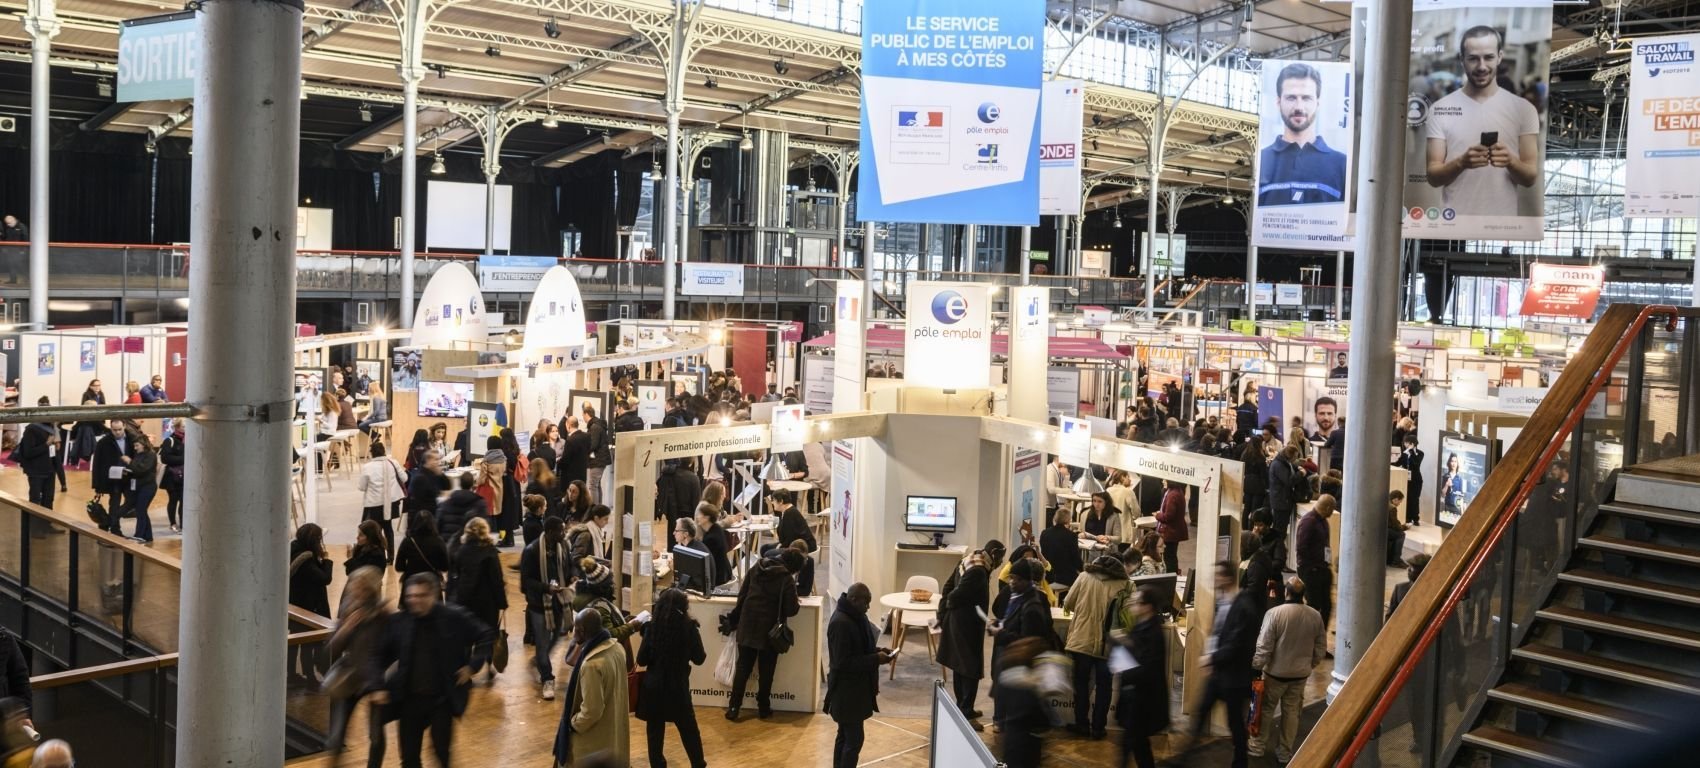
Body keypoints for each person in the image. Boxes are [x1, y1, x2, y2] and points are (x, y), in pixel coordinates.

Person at [368, 573, 495, 768]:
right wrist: (378, 686)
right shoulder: (400, 621)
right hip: (409, 700)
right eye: (410, 596)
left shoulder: (454, 616)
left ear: (433, 595)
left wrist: (472, 666)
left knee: (441, 752)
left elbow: (486, 634)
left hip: (442, 699)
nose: (414, 601)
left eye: (420, 596)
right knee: (409, 758)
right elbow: (379, 655)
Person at [1424, 25, 1541, 217]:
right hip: (1452, 220)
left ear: (1500, 57)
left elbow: (1530, 177)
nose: (1481, 66)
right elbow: (1433, 177)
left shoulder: (1524, 109)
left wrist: (1510, 161)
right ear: (1462, 60)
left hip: (1503, 221)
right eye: (1472, 58)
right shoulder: (1440, 109)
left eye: (1488, 57)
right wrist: (1461, 162)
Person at [1184, 561, 1263, 768]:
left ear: (1227, 578)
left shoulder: (1244, 607)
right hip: (1220, 674)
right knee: (1201, 713)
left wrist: (1211, 658)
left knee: (1235, 723)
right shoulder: (1223, 600)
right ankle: (1185, 757)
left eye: (1217, 576)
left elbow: (1236, 644)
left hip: (1234, 678)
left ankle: (1240, 762)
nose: (1214, 580)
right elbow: (1218, 633)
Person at [1252, 576, 1327, 763]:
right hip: (1300, 675)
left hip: (1275, 674)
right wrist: (1310, 665)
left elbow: (1264, 646)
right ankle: (1285, 752)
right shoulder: (1315, 615)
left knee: (1267, 710)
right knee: (1292, 713)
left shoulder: (1275, 613)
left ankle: (1257, 747)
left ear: (1286, 592)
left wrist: (1256, 667)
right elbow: (1320, 647)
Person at [325, 566, 392, 764]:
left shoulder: (384, 615)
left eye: (360, 588)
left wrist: (379, 684)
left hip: (376, 681)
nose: (355, 592)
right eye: (354, 587)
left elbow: (389, 650)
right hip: (350, 677)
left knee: (376, 734)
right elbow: (332, 649)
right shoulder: (349, 609)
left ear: (371, 590)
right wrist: (345, 629)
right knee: (337, 734)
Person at [723, 549, 800, 720]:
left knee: (743, 668)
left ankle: (734, 707)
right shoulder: (786, 579)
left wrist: (735, 619)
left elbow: (742, 597)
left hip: (748, 625)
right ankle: (763, 708)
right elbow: (791, 609)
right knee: (767, 671)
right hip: (769, 631)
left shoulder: (756, 568)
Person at [1257, 62, 1348, 207]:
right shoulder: (1261, 160)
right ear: (1278, 102)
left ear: (1317, 103)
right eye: (1291, 98)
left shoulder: (1342, 165)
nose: (1299, 107)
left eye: (1306, 98)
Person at [636, 587, 708, 768]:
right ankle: (698, 763)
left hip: (653, 686)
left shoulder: (651, 628)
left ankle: (657, 764)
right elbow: (700, 659)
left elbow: (641, 660)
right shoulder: (689, 628)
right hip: (678, 687)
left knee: (654, 731)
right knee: (689, 729)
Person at [1062, 555, 1133, 740]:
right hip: (1108, 645)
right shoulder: (1126, 584)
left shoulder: (1084, 576)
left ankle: (1081, 724)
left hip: (1082, 641)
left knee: (1081, 684)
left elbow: (1068, 603)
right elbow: (1131, 616)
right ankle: (1098, 728)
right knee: (1105, 686)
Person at [825, 583, 894, 768]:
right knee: (854, 740)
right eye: (866, 602)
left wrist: (879, 651)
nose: (868, 607)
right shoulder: (841, 623)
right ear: (854, 599)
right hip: (847, 692)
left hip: (854, 690)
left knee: (845, 736)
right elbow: (843, 662)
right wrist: (875, 659)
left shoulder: (855, 617)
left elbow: (859, 649)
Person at [552, 607, 630, 768]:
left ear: (581, 631)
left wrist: (573, 724)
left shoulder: (591, 665)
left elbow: (592, 710)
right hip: (612, 733)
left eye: (575, 629)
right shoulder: (616, 649)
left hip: (592, 741)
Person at [938, 541, 1003, 724]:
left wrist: (944, 613)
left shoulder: (969, 559)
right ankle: (965, 711)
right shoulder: (978, 571)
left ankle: (963, 707)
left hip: (958, 622)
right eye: (1001, 556)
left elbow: (948, 586)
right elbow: (954, 595)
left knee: (961, 667)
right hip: (966, 625)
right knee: (970, 669)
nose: (1001, 561)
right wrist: (948, 608)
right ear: (994, 553)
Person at [1114, 587, 1170, 768]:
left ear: (1147, 607)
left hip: (1142, 697)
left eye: (1137, 602)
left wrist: (1124, 658)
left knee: (1134, 742)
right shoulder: (1141, 626)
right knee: (1137, 743)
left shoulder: (1153, 632)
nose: (1132, 605)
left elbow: (1146, 667)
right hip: (1136, 696)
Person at [993, 636, 1069, 768]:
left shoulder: (1006, 677)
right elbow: (1041, 719)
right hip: (1027, 745)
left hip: (1011, 740)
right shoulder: (1029, 686)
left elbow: (1000, 709)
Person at [451, 518, 507, 683]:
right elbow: (496, 580)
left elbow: (457, 577)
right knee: (488, 635)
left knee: (467, 636)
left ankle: (466, 669)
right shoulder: (490, 551)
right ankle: (489, 666)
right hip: (487, 602)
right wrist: (502, 602)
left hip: (465, 601)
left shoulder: (461, 551)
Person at [288, 524, 333, 686]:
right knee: (307, 643)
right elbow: (324, 579)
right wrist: (327, 561)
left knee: (293, 642)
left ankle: (291, 674)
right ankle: (310, 677)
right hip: (307, 607)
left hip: (294, 605)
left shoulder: (293, 549)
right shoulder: (305, 558)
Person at [1296, 494, 1336, 631]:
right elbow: (1301, 548)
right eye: (1332, 509)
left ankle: (1320, 636)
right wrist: (1313, 566)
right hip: (1311, 571)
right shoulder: (1308, 521)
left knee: (1327, 606)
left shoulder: (1323, 521)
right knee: (1313, 606)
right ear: (1328, 507)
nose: (1333, 512)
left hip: (1322, 569)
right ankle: (1310, 637)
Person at [394, 510, 449, 606]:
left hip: (411, 584)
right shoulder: (438, 541)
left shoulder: (408, 541)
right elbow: (445, 566)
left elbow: (399, 566)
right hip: (432, 584)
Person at [13, 410, 59, 522]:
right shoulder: (31, 429)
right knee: (35, 500)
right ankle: (34, 528)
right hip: (36, 470)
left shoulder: (51, 428)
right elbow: (28, 452)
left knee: (49, 499)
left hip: (49, 469)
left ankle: (47, 524)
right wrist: (46, 444)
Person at [90, 418, 129, 537]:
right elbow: (97, 463)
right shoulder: (103, 442)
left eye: (119, 429)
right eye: (114, 430)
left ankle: (109, 522)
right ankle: (115, 527)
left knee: (130, 503)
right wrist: (97, 484)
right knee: (115, 503)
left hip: (129, 477)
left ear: (125, 427)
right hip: (113, 479)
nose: (117, 432)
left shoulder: (131, 439)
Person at [120, 430, 159, 543]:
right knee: (141, 510)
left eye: (137, 445)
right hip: (140, 486)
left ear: (143, 444)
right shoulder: (139, 455)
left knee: (141, 510)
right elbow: (136, 469)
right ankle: (148, 536)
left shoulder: (150, 455)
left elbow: (141, 470)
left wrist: (129, 462)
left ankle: (139, 535)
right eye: (134, 445)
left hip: (148, 487)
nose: (135, 448)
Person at [1267, 445, 1307, 543]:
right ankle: (1277, 552)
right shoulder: (1279, 465)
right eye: (1295, 457)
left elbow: (1291, 467)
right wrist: (1301, 474)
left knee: (1279, 529)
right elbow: (1289, 481)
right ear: (1290, 456)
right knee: (1280, 531)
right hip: (1281, 502)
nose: (1295, 459)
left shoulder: (1282, 462)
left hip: (1282, 500)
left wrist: (1298, 467)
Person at [1038, 507, 1082, 592]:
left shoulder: (1044, 533)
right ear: (1069, 520)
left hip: (1047, 575)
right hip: (1065, 577)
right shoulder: (1071, 536)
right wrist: (1083, 570)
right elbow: (1076, 559)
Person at [656, 457, 702, 538]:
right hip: (688, 517)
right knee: (685, 543)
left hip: (671, 514)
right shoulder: (694, 478)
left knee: (673, 539)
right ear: (691, 463)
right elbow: (696, 502)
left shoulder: (669, 474)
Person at [434, 471, 483, 547]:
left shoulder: (446, 503)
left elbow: (438, 525)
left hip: (448, 545)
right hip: (470, 547)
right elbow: (484, 527)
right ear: (473, 485)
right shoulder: (479, 504)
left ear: (460, 484)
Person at [694, 505, 733, 587]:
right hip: (725, 572)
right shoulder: (716, 528)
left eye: (700, 514)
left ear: (706, 517)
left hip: (718, 577)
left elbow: (706, 562)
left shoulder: (711, 538)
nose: (697, 517)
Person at [1156, 479, 1189, 575]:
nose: (1162, 481)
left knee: (1169, 557)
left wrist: (1157, 515)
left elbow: (1168, 516)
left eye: (1165, 479)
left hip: (1171, 532)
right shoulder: (1176, 492)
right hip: (1173, 531)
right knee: (1171, 556)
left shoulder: (1172, 495)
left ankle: (1171, 578)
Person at [770, 489, 816, 553]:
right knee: (764, 548)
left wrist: (780, 546)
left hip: (801, 547)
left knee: (768, 553)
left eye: (774, 500)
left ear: (781, 501)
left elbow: (790, 538)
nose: (772, 502)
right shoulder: (786, 511)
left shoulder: (790, 513)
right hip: (793, 543)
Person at [582, 404, 611, 505]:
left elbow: (593, 444)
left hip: (597, 460)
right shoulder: (597, 425)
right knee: (596, 484)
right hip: (600, 459)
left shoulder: (594, 427)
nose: (583, 418)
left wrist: (584, 450)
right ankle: (598, 507)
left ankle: (595, 509)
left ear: (586, 414)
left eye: (583, 415)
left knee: (593, 485)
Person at [1396, 433, 1425, 525]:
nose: (1405, 445)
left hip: (1416, 479)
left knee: (1415, 498)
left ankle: (1415, 518)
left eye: (1407, 443)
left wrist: (1411, 452)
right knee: (1407, 497)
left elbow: (1416, 463)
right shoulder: (1404, 453)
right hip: (1406, 479)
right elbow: (1398, 463)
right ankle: (1407, 517)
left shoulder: (1420, 453)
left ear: (1412, 444)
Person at [557, 416, 591, 487]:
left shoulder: (570, 440)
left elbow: (566, 460)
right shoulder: (586, 436)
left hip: (571, 476)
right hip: (582, 473)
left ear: (568, 425)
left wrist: (558, 462)